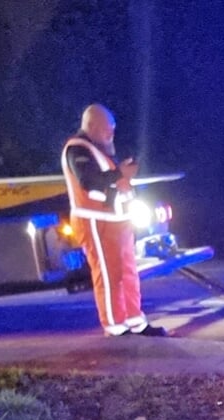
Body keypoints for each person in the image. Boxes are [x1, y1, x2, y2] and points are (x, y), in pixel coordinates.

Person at [61, 104, 164, 337]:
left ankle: (135, 320)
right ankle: (115, 325)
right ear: (92, 126)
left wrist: (123, 177)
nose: (111, 132)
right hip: (96, 222)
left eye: (113, 128)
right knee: (109, 274)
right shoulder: (77, 149)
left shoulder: (100, 149)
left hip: (117, 220)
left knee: (128, 272)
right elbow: (88, 181)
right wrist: (120, 174)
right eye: (107, 128)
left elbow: (108, 182)